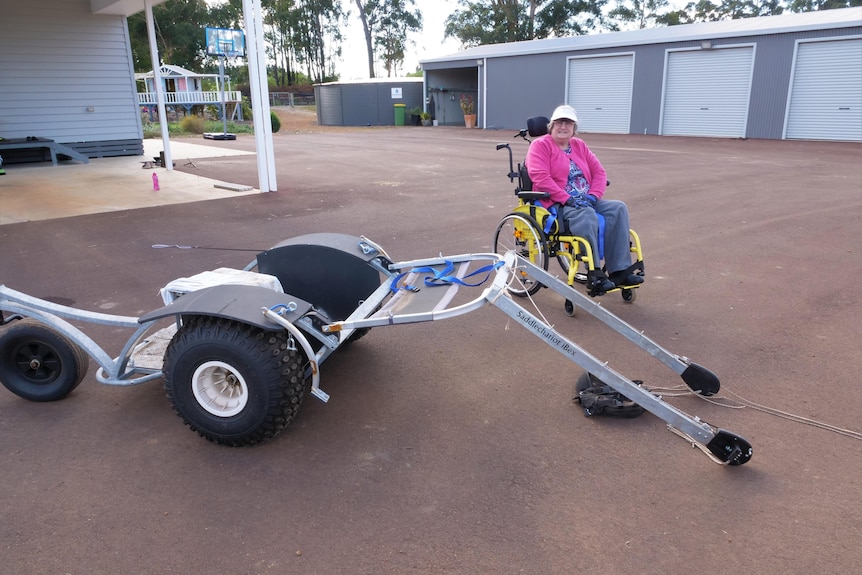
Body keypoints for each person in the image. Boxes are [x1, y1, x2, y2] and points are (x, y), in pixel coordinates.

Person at [525, 104, 643, 293]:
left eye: (568, 123)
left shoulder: (579, 145)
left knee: (618, 208)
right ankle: (594, 273)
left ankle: (620, 271)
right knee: (586, 215)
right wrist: (567, 199)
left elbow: (599, 172)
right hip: (557, 202)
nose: (563, 127)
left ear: (574, 128)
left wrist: (593, 196)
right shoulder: (540, 145)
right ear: (551, 125)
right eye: (559, 122)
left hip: (585, 200)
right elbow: (540, 177)